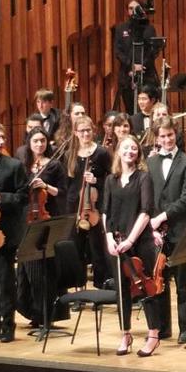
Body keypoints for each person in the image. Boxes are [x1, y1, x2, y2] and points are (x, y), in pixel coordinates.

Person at [102, 135, 162, 357]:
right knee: (122, 290)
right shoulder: (111, 179)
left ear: (138, 153)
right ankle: (125, 333)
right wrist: (109, 237)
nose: (130, 151)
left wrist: (130, 241)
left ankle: (154, 335)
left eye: (134, 148)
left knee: (146, 288)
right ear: (118, 151)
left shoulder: (144, 177)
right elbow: (105, 212)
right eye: (126, 148)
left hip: (139, 241)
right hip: (116, 243)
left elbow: (146, 211)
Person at [146, 116, 186, 345]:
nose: (167, 139)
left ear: (175, 134)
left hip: (178, 230)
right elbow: (149, 197)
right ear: (157, 138)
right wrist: (153, 226)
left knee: (183, 283)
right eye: (162, 136)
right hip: (157, 232)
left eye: (170, 135)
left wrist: (162, 218)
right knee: (159, 282)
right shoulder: (151, 163)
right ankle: (163, 327)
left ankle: (185, 328)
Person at [16, 127, 68, 329]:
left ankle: (45, 313)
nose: (40, 144)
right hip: (25, 222)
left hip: (46, 220)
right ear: (29, 143)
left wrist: (45, 185)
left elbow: (62, 192)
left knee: (43, 271)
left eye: (43, 141)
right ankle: (31, 310)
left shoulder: (55, 165)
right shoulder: (23, 166)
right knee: (25, 271)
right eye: (36, 141)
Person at [64, 116, 113, 289]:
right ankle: (78, 286)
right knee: (76, 249)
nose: (85, 133)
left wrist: (96, 181)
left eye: (88, 130)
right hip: (75, 207)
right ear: (76, 133)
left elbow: (112, 179)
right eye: (82, 131)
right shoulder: (69, 155)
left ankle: (101, 285)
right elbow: (67, 184)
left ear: (93, 130)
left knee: (96, 247)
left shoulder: (101, 153)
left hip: (94, 206)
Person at [0, 123, 28, 342]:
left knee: (5, 281)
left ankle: (8, 325)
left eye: (1, 138)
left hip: (3, 233)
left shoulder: (14, 166)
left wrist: (0, 198)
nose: (0, 141)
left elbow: (23, 197)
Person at [113, 0, 159, 114]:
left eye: (136, 8)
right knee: (130, 109)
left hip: (147, 74)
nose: (133, 11)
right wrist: (131, 65)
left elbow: (153, 51)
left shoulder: (149, 29)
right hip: (127, 75)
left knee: (149, 109)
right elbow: (118, 52)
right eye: (130, 8)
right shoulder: (121, 28)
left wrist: (141, 65)